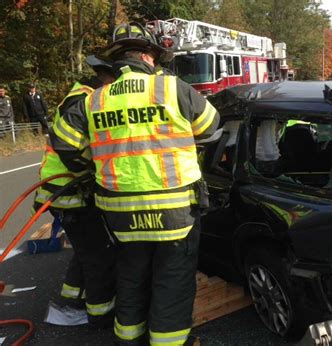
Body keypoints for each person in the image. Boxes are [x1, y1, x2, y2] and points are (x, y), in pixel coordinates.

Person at [51, 22, 220, 345]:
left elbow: (64, 144)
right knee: (173, 280)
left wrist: (94, 166)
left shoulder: (95, 100)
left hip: (119, 212)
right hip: (174, 211)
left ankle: (128, 337)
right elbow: (211, 129)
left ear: (117, 60)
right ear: (149, 56)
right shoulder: (172, 89)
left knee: (130, 275)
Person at [34, 55, 117, 328]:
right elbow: (68, 145)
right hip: (67, 190)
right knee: (98, 254)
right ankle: (100, 314)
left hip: (63, 189)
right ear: (106, 76)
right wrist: (92, 171)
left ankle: (70, 301)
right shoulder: (85, 98)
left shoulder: (85, 94)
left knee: (85, 250)